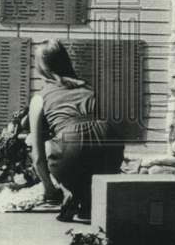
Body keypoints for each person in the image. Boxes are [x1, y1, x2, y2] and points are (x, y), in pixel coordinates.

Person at [26, 38, 124, 222]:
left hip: (71, 145)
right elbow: (93, 127)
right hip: (109, 145)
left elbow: (38, 158)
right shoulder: (88, 88)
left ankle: (68, 192)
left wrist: (49, 190)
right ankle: (87, 198)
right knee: (85, 145)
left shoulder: (40, 98)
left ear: (40, 68)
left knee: (38, 142)